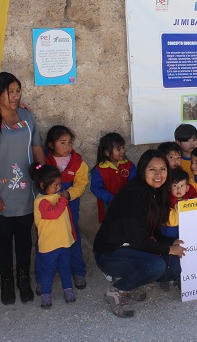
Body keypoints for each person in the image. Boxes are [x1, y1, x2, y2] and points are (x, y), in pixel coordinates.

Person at [93, 150, 187, 318]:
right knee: (156, 266)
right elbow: (139, 240)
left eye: (163, 169)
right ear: (143, 171)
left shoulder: (158, 192)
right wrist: (169, 249)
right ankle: (117, 290)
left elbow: (154, 231)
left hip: (134, 248)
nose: (158, 174)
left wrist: (171, 242)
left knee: (173, 268)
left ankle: (130, 282)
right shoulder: (133, 195)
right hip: (111, 253)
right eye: (152, 169)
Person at [0, 72, 45, 305]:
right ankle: (6, 280)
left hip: (26, 189)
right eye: (10, 92)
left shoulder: (26, 115)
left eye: (18, 91)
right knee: (4, 236)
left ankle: (23, 279)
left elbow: (37, 147)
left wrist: (44, 178)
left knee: (25, 234)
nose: (15, 96)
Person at [43, 125, 89, 290]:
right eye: (62, 143)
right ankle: (43, 277)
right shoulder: (44, 161)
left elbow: (81, 184)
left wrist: (69, 194)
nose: (67, 146)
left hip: (70, 208)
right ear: (51, 145)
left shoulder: (78, 163)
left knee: (73, 237)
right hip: (48, 211)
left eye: (69, 142)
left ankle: (78, 271)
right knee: (46, 240)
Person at [29, 162, 77, 308]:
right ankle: (46, 294)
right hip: (49, 244)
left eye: (59, 184)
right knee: (47, 270)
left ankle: (68, 289)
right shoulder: (41, 201)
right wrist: (63, 200)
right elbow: (54, 214)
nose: (59, 187)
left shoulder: (56, 196)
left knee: (65, 267)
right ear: (42, 185)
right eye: (55, 185)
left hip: (63, 241)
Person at [90, 132, 137, 223]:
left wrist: (128, 196)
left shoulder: (129, 165)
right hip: (107, 205)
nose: (122, 151)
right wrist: (110, 199)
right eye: (118, 149)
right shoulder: (99, 169)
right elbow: (96, 188)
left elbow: (134, 182)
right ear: (107, 153)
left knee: (127, 223)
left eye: (123, 147)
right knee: (110, 225)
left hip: (127, 203)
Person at [158, 168, 192, 291]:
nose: (178, 189)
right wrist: (180, 207)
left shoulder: (189, 199)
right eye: (175, 185)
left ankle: (179, 277)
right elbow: (172, 221)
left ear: (187, 188)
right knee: (169, 256)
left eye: (182, 186)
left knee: (183, 256)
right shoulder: (165, 201)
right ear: (169, 187)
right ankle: (165, 278)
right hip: (168, 235)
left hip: (182, 235)